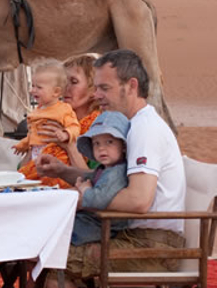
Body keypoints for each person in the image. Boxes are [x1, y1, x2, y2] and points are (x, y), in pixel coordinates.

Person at [36, 49, 185, 286]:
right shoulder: (131, 125)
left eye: (104, 88)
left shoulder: (144, 129)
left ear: (131, 86)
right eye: (96, 88)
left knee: (54, 261)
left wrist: (83, 198)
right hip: (125, 235)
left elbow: (138, 200)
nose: (97, 95)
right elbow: (108, 181)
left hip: (150, 246)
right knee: (50, 254)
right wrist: (63, 171)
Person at [18, 54, 103, 186]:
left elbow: (96, 180)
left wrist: (69, 145)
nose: (65, 88)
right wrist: (34, 140)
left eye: (73, 82)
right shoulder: (46, 117)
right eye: (63, 82)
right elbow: (20, 172)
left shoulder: (100, 128)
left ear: (94, 90)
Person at [13, 59, 81, 188]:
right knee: (28, 177)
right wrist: (23, 145)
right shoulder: (37, 110)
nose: (33, 90)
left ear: (55, 92)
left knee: (52, 178)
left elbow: (74, 126)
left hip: (55, 154)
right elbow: (34, 134)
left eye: (38, 87)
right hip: (36, 154)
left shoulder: (63, 109)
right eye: (32, 86)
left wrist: (66, 134)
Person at [70, 111, 130, 246]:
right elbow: (94, 179)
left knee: (59, 230)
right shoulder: (105, 168)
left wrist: (85, 190)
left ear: (124, 146)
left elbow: (98, 199)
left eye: (109, 142)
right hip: (91, 221)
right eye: (96, 143)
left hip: (100, 226)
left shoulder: (117, 172)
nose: (102, 148)